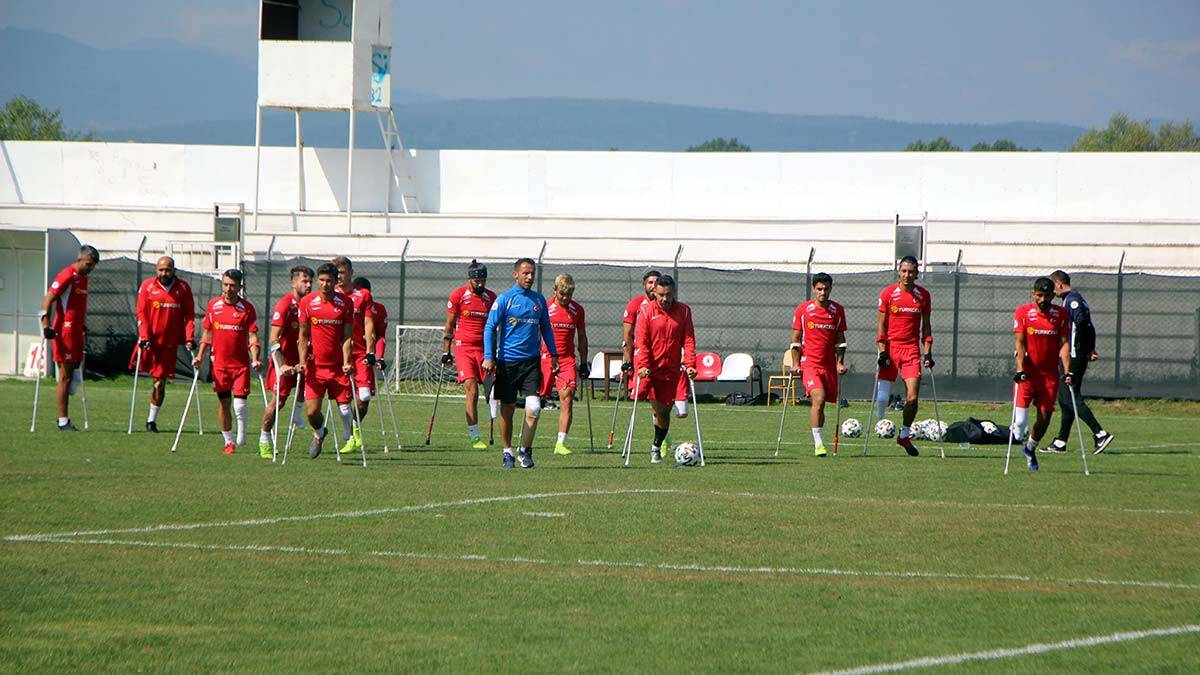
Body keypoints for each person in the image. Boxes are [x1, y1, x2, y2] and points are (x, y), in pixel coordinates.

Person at [482, 258, 557, 469]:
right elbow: (489, 327)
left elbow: (547, 329)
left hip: (531, 363)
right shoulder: (505, 299)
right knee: (507, 409)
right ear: (516, 274)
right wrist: (489, 356)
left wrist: (554, 355)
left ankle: (525, 450)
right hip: (507, 363)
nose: (530, 277)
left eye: (532, 273)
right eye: (525, 273)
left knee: (534, 407)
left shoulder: (539, 300)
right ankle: (507, 452)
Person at [1043, 270, 1115, 454]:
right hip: (1075, 353)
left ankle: (1100, 433)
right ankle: (1061, 441)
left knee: (1070, 396)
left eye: (1053, 287)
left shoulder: (1072, 300)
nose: (1052, 292)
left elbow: (1084, 324)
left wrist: (1086, 348)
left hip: (1073, 355)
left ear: (1059, 284)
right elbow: (1089, 326)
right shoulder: (1073, 299)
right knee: (1065, 398)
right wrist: (1090, 347)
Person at [192, 269, 261, 454]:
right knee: (224, 403)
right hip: (220, 365)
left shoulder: (247, 308)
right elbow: (207, 334)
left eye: (232, 285)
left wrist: (255, 358)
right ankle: (228, 442)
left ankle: (242, 435)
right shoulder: (213, 306)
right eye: (225, 284)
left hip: (240, 365)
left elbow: (253, 336)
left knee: (239, 405)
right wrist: (199, 356)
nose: (228, 289)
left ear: (240, 287)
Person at [633, 275, 697, 464]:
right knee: (652, 404)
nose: (664, 299)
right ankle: (656, 445)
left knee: (664, 412)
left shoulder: (684, 311)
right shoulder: (646, 311)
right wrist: (643, 364)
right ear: (655, 292)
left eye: (668, 295)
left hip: (671, 369)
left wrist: (691, 364)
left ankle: (656, 445)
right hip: (650, 368)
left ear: (674, 292)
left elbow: (689, 339)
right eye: (660, 295)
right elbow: (641, 340)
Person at [875, 255, 934, 456]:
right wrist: (882, 351)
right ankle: (879, 422)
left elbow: (926, 326)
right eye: (904, 271)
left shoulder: (923, 295)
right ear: (898, 272)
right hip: (891, 347)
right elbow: (881, 325)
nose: (907, 275)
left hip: (911, 350)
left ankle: (904, 434)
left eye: (911, 271)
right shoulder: (888, 294)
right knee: (883, 395)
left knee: (912, 397)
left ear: (917, 273)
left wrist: (928, 353)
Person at [295, 263, 355, 459]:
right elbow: (303, 336)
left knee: (345, 410)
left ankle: (349, 436)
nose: (324, 284)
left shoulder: (345, 303)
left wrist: (347, 361)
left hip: (338, 367)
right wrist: (303, 361)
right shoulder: (307, 302)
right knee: (312, 412)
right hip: (315, 367)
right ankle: (320, 433)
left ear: (336, 281)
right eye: (321, 280)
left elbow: (347, 336)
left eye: (329, 281)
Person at [1012, 276, 1072, 472]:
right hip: (1028, 375)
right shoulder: (1023, 312)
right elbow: (1020, 344)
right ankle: (1021, 437)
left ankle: (1030, 449)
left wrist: (1068, 370)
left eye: (1047, 295)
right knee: (1019, 425)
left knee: (1045, 418)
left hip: (1049, 376)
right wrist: (1020, 369)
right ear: (1033, 294)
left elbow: (1064, 344)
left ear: (1053, 295)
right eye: (1039, 295)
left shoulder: (1061, 314)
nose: (1043, 299)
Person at [38, 245, 100, 431]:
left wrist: (81, 324)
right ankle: (63, 420)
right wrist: (46, 325)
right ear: (80, 259)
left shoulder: (83, 279)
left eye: (93, 265)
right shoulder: (67, 275)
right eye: (89, 264)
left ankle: (66, 404)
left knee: (73, 374)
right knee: (64, 377)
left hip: (76, 332)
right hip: (63, 333)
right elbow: (48, 300)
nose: (91, 268)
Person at [131, 256, 195, 432]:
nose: (164, 273)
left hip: (169, 344)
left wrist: (189, 337)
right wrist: (144, 336)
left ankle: (151, 420)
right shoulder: (147, 286)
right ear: (156, 270)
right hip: (149, 343)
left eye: (167, 269)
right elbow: (141, 313)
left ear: (173, 269)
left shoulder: (183, 288)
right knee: (149, 378)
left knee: (159, 383)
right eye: (161, 270)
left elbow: (189, 315)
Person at [789, 273, 848, 457]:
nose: (823, 292)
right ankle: (818, 444)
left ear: (831, 289)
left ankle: (818, 435)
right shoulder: (803, 310)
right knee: (819, 398)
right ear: (814, 289)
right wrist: (795, 363)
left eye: (826, 289)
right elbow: (796, 340)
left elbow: (840, 340)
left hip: (828, 366)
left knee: (821, 405)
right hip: (810, 365)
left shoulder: (837, 310)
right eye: (819, 289)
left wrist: (839, 363)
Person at [258, 265, 313, 458]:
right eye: (304, 281)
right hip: (284, 361)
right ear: (293, 282)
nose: (308, 285)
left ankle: (297, 415)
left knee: (311, 394)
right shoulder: (285, 305)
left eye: (310, 281)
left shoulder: (310, 304)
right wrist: (281, 364)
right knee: (278, 402)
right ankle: (264, 437)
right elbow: (273, 338)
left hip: (303, 360)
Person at [443, 259, 498, 449]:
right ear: (469, 279)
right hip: (463, 347)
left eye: (483, 280)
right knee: (471, 390)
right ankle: (474, 436)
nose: (481, 284)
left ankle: (498, 431)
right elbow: (449, 325)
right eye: (477, 281)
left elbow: (495, 326)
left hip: (484, 349)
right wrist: (446, 351)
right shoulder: (458, 295)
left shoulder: (491, 298)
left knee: (492, 391)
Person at [539, 273, 589, 455]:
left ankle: (560, 443)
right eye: (562, 295)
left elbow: (582, 337)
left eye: (569, 295)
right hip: (546, 357)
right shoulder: (545, 307)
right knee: (538, 399)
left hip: (567, 359)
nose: (566, 298)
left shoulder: (577, 310)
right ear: (555, 291)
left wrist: (583, 363)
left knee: (567, 398)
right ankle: (526, 439)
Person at [333, 256, 376, 455]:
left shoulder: (363, 294)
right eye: (336, 273)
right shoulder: (330, 295)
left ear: (350, 272)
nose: (339, 277)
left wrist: (370, 348)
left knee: (364, 396)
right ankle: (350, 435)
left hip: (360, 353)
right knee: (343, 400)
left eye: (342, 272)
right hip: (338, 355)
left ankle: (355, 426)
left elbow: (368, 323)